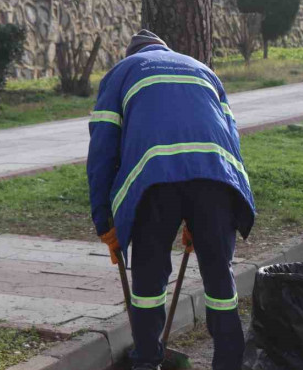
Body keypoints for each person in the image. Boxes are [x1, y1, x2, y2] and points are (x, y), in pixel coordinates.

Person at [88, 30, 255, 370]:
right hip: (216, 179)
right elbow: (230, 136)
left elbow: (103, 149)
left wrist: (104, 219)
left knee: (149, 278)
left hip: (155, 181)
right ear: (166, 48)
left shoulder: (122, 72)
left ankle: (147, 361)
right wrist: (216, 212)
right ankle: (229, 362)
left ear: (131, 53)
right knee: (219, 277)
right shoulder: (202, 69)